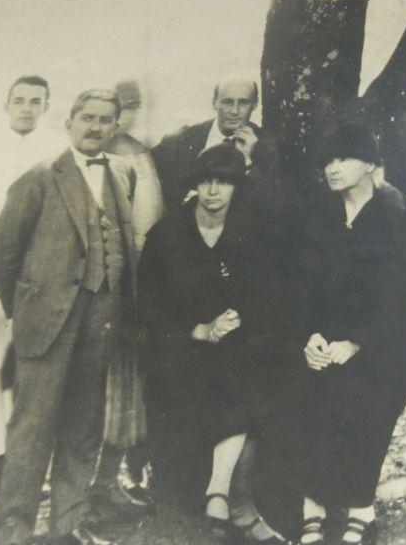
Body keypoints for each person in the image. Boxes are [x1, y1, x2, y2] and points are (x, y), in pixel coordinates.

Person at [0, 89, 138, 545]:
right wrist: (27, 306)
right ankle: (13, 527)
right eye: (86, 117)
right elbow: (0, 256)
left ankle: (68, 524)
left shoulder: (122, 173)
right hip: (47, 320)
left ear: (115, 127)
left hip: (103, 317)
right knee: (32, 426)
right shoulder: (39, 177)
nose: (95, 126)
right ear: (69, 122)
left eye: (105, 119)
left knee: (84, 424)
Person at [139, 146, 289, 543]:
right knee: (218, 379)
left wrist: (238, 318)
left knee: (246, 372)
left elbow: (271, 293)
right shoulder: (167, 233)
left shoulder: (254, 231)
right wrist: (197, 330)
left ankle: (222, 495)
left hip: (237, 340)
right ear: (195, 186)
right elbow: (149, 303)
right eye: (206, 181)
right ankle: (231, 504)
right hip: (179, 345)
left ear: (237, 187)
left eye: (223, 181)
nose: (213, 190)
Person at [291, 122, 406, 545]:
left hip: (383, 340)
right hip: (322, 337)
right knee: (310, 397)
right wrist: (308, 336)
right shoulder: (317, 212)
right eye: (328, 160)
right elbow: (301, 284)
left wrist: (357, 342)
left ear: (371, 164)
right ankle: (313, 501)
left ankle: (360, 504)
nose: (333, 168)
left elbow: (400, 291)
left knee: (368, 402)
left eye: (344, 158)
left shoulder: (398, 212)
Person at [93, 80, 162, 514]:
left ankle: (117, 479)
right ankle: (96, 486)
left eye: (137, 106)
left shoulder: (146, 151)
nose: (130, 114)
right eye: (124, 108)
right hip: (118, 288)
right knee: (107, 389)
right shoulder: (108, 159)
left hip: (150, 283)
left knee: (134, 389)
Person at [151, 75, 281, 216]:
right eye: (227, 102)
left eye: (243, 103)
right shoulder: (184, 138)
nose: (234, 111)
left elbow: (272, 207)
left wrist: (247, 162)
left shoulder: (265, 144)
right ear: (214, 103)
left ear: (254, 104)